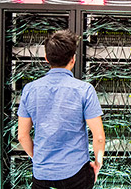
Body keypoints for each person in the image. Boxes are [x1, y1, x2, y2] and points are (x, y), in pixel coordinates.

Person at [17, 30, 105, 189]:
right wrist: (98, 164)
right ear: (73, 59)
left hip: (41, 174)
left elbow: (22, 136)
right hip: (76, 174)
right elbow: (98, 137)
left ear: (46, 59)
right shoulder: (84, 90)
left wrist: (38, 159)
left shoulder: (30, 89)